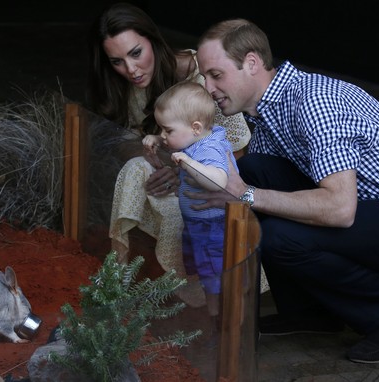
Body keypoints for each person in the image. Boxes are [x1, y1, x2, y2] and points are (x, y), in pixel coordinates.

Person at [192, 18, 379, 363]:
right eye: (205, 77)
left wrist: (248, 195)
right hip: (370, 206)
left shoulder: (314, 101)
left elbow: (340, 209)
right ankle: (311, 311)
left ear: (251, 63)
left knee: (279, 234)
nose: (208, 88)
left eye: (216, 74)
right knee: (255, 170)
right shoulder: (268, 112)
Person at [86, 3, 261, 307]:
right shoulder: (128, 84)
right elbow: (126, 138)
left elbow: (239, 151)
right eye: (117, 61)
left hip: (218, 186)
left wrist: (181, 171)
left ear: (153, 40)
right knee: (133, 169)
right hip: (175, 177)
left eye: (136, 53)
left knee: (211, 258)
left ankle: (217, 307)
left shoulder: (203, 77)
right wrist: (160, 161)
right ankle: (119, 272)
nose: (130, 69)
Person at [143, 81, 238, 319]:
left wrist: (189, 164)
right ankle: (215, 314)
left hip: (214, 226)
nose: (164, 136)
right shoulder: (196, 140)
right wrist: (158, 139)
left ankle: (222, 319)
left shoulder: (209, 150)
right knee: (207, 275)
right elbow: (179, 142)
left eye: (167, 130)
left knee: (216, 275)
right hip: (199, 223)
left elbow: (218, 180)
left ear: (195, 127)